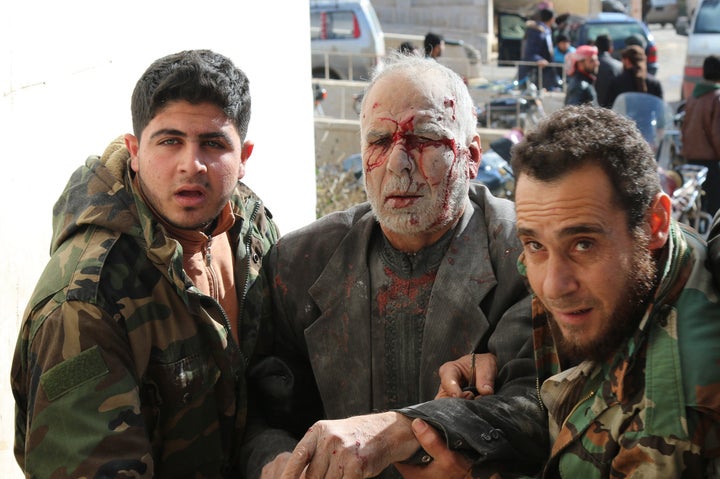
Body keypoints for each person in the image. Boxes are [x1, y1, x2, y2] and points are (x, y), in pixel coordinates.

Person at [241, 51, 548, 479]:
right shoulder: (301, 262)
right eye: (380, 141)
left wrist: (400, 429)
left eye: (425, 139)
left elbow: (541, 401)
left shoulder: (527, 252)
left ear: (471, 156)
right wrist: (276, 462)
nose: (398, 163)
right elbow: (257, 411)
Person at [11, 49, 281, 478]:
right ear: (135, 150)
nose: (191, 165)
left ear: (243, 156)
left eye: (213, 144)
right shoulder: (84, 302)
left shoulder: (249, 225)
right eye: (170, 141)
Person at [434, 105, 720, 477]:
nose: (553, 285)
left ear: (655, 224)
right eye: (534, 244)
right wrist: (502, 360)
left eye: (583, 244)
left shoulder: (669, 421)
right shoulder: (645, 261)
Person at [681, 54, 720, 216]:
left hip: (690, 162)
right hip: (710, 164)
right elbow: (717, 133)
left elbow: (684, 127)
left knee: (696, 211)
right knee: (713, 211)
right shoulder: (716, 98)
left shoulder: (693, 97)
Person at [518, 8, 560, 91]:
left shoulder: (546, 30)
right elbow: (530, 52)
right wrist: (539, 59)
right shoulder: (537, 31)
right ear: (552, 19)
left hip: (544, 74)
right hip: (533, 72)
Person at [594, 34, 623, 108]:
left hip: (593, 110)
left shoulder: (590, 65)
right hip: (613, 110)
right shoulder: (619, 66)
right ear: (611, 48)